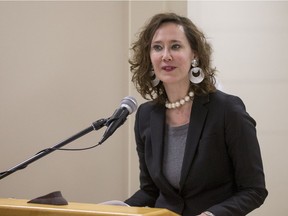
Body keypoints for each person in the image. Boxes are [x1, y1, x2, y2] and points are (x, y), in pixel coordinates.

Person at [124, 12, 268, 216]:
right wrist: (118, 209)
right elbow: (150, 190)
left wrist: (211, 215)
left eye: (175, 46)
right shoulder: (146, 115)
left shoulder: (228, 110)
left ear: (195, 55)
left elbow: (254, 190)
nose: (166, 55)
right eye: (157, 47)